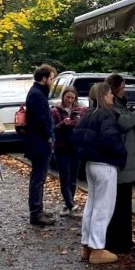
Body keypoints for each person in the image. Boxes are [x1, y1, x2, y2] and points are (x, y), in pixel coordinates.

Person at [73, 82, 127, 265]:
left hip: (90, 164)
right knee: (103, 207)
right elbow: (111, 140)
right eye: (110, 94)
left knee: (92, 205)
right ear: (104, 95)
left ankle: (86, 247)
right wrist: (122, 153)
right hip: (105, 165)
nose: (113, 96)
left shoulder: (87, 115)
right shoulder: (106, 115)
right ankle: (97, 249)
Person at [105, 74, 135, 254]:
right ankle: (119, 242)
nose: (124, 91)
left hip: (125, 161)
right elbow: (124, 123)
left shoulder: (119, 104)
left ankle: (124, 240)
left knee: (123, 202)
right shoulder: (113, 107)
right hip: (122, 162)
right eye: (121, 88)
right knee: (119, 203)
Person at [24, 64, 57, 227]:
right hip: (39, 144)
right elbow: (40, 120)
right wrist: (48, 137)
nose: (52, 82)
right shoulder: (37, 94)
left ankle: (38, 210)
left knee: (39, 178)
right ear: (43, 79)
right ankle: (36, 213)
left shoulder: (37, 93)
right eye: (51, 79)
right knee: (38, 178)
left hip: (39, 142)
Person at [51, 87, 82, 217]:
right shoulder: (55, 111)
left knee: (73, 179)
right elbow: (52, 129)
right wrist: (63, 123)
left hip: (75, 147)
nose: (70, 100)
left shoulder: (79, 110)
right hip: (62, 147)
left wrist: (78, 122)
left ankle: (69, 204)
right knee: (65, 177)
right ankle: (70, 204)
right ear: (63, 96)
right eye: (67, 97)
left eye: (72, 98)